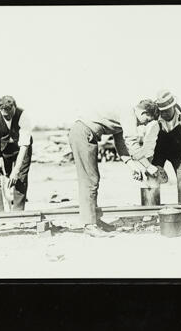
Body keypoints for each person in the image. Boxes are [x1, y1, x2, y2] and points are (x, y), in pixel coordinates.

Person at [69, 99, 161, 237]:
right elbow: (132, 143)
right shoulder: (129, 114)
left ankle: (95, 220)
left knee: (93, 178)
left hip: (85, 134)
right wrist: (148, 166)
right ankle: (89, 225)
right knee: (90, 180)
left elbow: (122, 146)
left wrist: (133, 166)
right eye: (146, 121)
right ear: (143, 112)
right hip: (83, 134)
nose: (144, 125)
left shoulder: (123, 117)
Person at [0, 95, 33, 212]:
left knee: (20, 177)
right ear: (0, 109)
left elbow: (24, 145)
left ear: (14, 107)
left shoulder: (23, 116)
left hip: (21, 149)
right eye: (4, 114)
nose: (7, 116)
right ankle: (2, 213)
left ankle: (18, 212)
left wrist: (16, 170)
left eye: (10, 113)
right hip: (2, 149)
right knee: (1, 178)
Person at [152, 89, 181, 173]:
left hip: (179, 150)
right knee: (154, 176)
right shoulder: (155, 119)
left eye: (167, 110)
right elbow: (149, 142)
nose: (164, 114)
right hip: (160, 150)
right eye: (162, 111)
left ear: (174, 106)